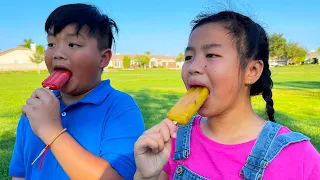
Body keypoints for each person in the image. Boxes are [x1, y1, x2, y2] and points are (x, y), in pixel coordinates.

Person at [133, 11, 320, 179]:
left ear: (252, 70)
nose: (193, 68)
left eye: (211, 55)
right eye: (189, 57)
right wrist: (144, 176)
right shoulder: (173, 140)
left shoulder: (299, 157)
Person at [9, 3, 145, 180]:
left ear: (103, 58)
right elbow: (20, 173)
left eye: (72, 44)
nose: (58, 53)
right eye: (51, 44)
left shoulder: (120, 108)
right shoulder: (36, 109)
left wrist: (51, 131)